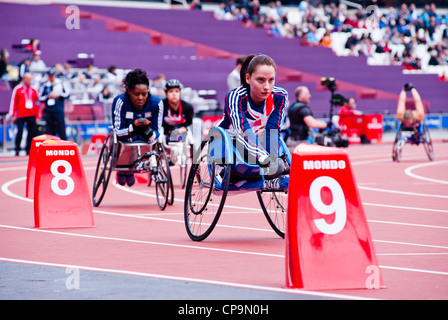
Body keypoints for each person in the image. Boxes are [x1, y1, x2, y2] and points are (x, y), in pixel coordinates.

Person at [218, 54, 288, 178]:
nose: (267, 87)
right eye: (260, 80)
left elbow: (272, 129)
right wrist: (265, 158)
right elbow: (243, 132)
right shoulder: (235, 97)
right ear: (248, 78)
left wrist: (272, 162)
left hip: (258, 141)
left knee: (277, 161)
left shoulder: (280, 96)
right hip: (230, 142)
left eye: (271, 80)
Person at [111, 68, 163, 186]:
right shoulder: (120, 102)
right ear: (128, 91)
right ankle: (123, 168)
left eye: (144, 94)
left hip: (145, 136)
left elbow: (157, 129)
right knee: (124, 142)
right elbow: (118, 131)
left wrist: (150, 134)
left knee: (151, 138)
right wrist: (133, 128)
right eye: (136, 94)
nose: (140, 98)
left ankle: (130, 169)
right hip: (127, 135)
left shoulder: (157, 104)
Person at [161, 79, 194, 165]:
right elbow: (159, 122)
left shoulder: (187, 107)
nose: (174, 94)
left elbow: (189, 122)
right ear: (166, 93)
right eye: (171, 91)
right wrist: (169, 130)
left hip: (181, 132)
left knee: (188, 138)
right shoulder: (161, 106)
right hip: (166, 132)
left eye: (176, 91)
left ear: (180, 93)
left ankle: (194, 159)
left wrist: (182, 128)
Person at [8, 72, 40, 155]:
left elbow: (37, 103)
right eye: (28, 79)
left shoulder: (34, 90)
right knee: (20, 131)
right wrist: (12, 114)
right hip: (20, 114)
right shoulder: (18, 89)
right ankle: (17, 149)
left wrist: (37, 116)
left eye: (30, 79)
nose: (29, 81)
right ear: (24, 79)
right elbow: (13, 102)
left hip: (31, 114)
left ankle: (28, 149)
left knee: (31, 133)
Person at [38, 68, 71, 140]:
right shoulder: (45, 85)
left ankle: (64, 144)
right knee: (49, 128)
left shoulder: (61, 83)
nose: (51, 77)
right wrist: (48, 96)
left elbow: (67, 94)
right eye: (50, 76)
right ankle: (50, 145)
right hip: (49, 110)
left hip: (58, 109)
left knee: (61, 127)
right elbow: (40, 97)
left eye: (52, 75)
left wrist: (58, 95)